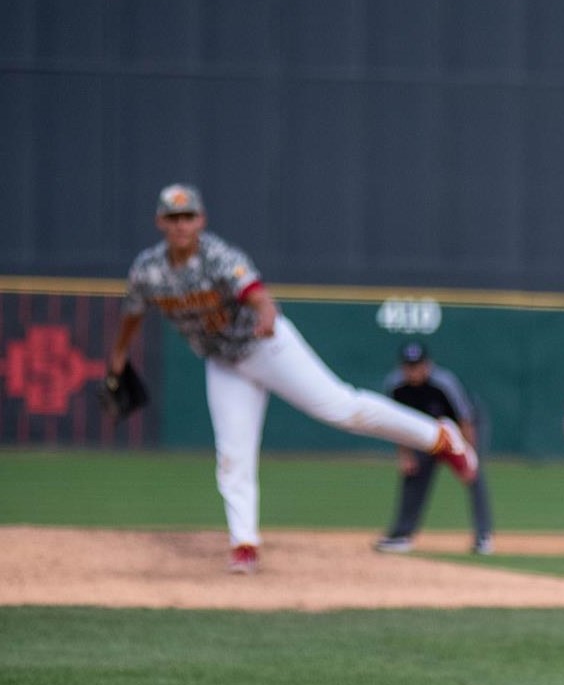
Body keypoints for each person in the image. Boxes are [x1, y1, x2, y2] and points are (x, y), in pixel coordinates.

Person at [109, 184, 477, 574]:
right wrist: (117, 358)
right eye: (172, 217)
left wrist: (266, 315)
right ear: (159, 222)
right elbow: (133, 313)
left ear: (200, 220)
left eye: (187, 217)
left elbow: (256, 294)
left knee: (341, 409)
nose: (181, 225)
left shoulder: (218, 256)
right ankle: (244, 544)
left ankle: (439, 436)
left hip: (267, 347)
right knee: (233, 454)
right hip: (223, 363)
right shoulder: (148, 270)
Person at [374, 342, 495, 556]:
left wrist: (468, 455)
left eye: (418, 365)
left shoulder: (443, 383)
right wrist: (405, 456)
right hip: (428, 434)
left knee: (473, 476)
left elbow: (466, 419)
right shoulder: (395, 386)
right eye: (409, 366)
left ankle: (483, 536)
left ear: (427, 365)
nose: (413, 371)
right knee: (414, 472)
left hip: (460, 429)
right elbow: (395, 425)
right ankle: (402, 534)